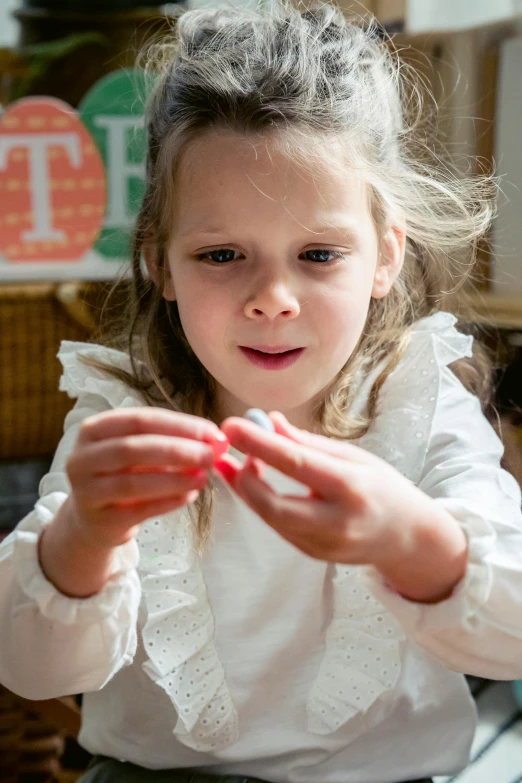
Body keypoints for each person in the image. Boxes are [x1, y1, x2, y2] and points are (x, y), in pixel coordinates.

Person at [1, 3, 522, 782]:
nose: (272, 296)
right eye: (221, 254)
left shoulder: (421, 403)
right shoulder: (123, 410)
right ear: (160, 265)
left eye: (317, 252)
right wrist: (84, 533)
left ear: (384, 257)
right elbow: (31, 669)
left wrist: (407, 537)